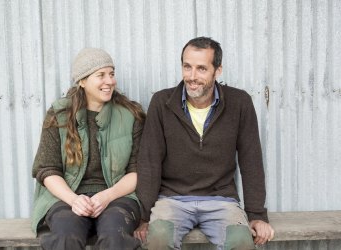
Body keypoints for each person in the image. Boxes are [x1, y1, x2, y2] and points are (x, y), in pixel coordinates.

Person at [134, 37, 274, 250]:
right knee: (159, 239)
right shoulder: (162, 102)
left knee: (241, 243)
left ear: (217, 71)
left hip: (222, 200)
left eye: (201, 69)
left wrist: (256, 215)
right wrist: (144, 217)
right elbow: (150, 161)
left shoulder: (239, 103)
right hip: (172, 199)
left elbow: (251, 161)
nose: (192, 76)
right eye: (187, 67)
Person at [31, 48, 145, 250]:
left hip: (118, 197)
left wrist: (107, 196)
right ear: (82, 81)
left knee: (114, 234)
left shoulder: (130, 115)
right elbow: (47, 169)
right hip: (68, 197)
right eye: (101, 75)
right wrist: (74, 200)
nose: (109, 81)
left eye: (111, 74)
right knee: (66, 234)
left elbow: (138, 171)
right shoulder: (59, 115)